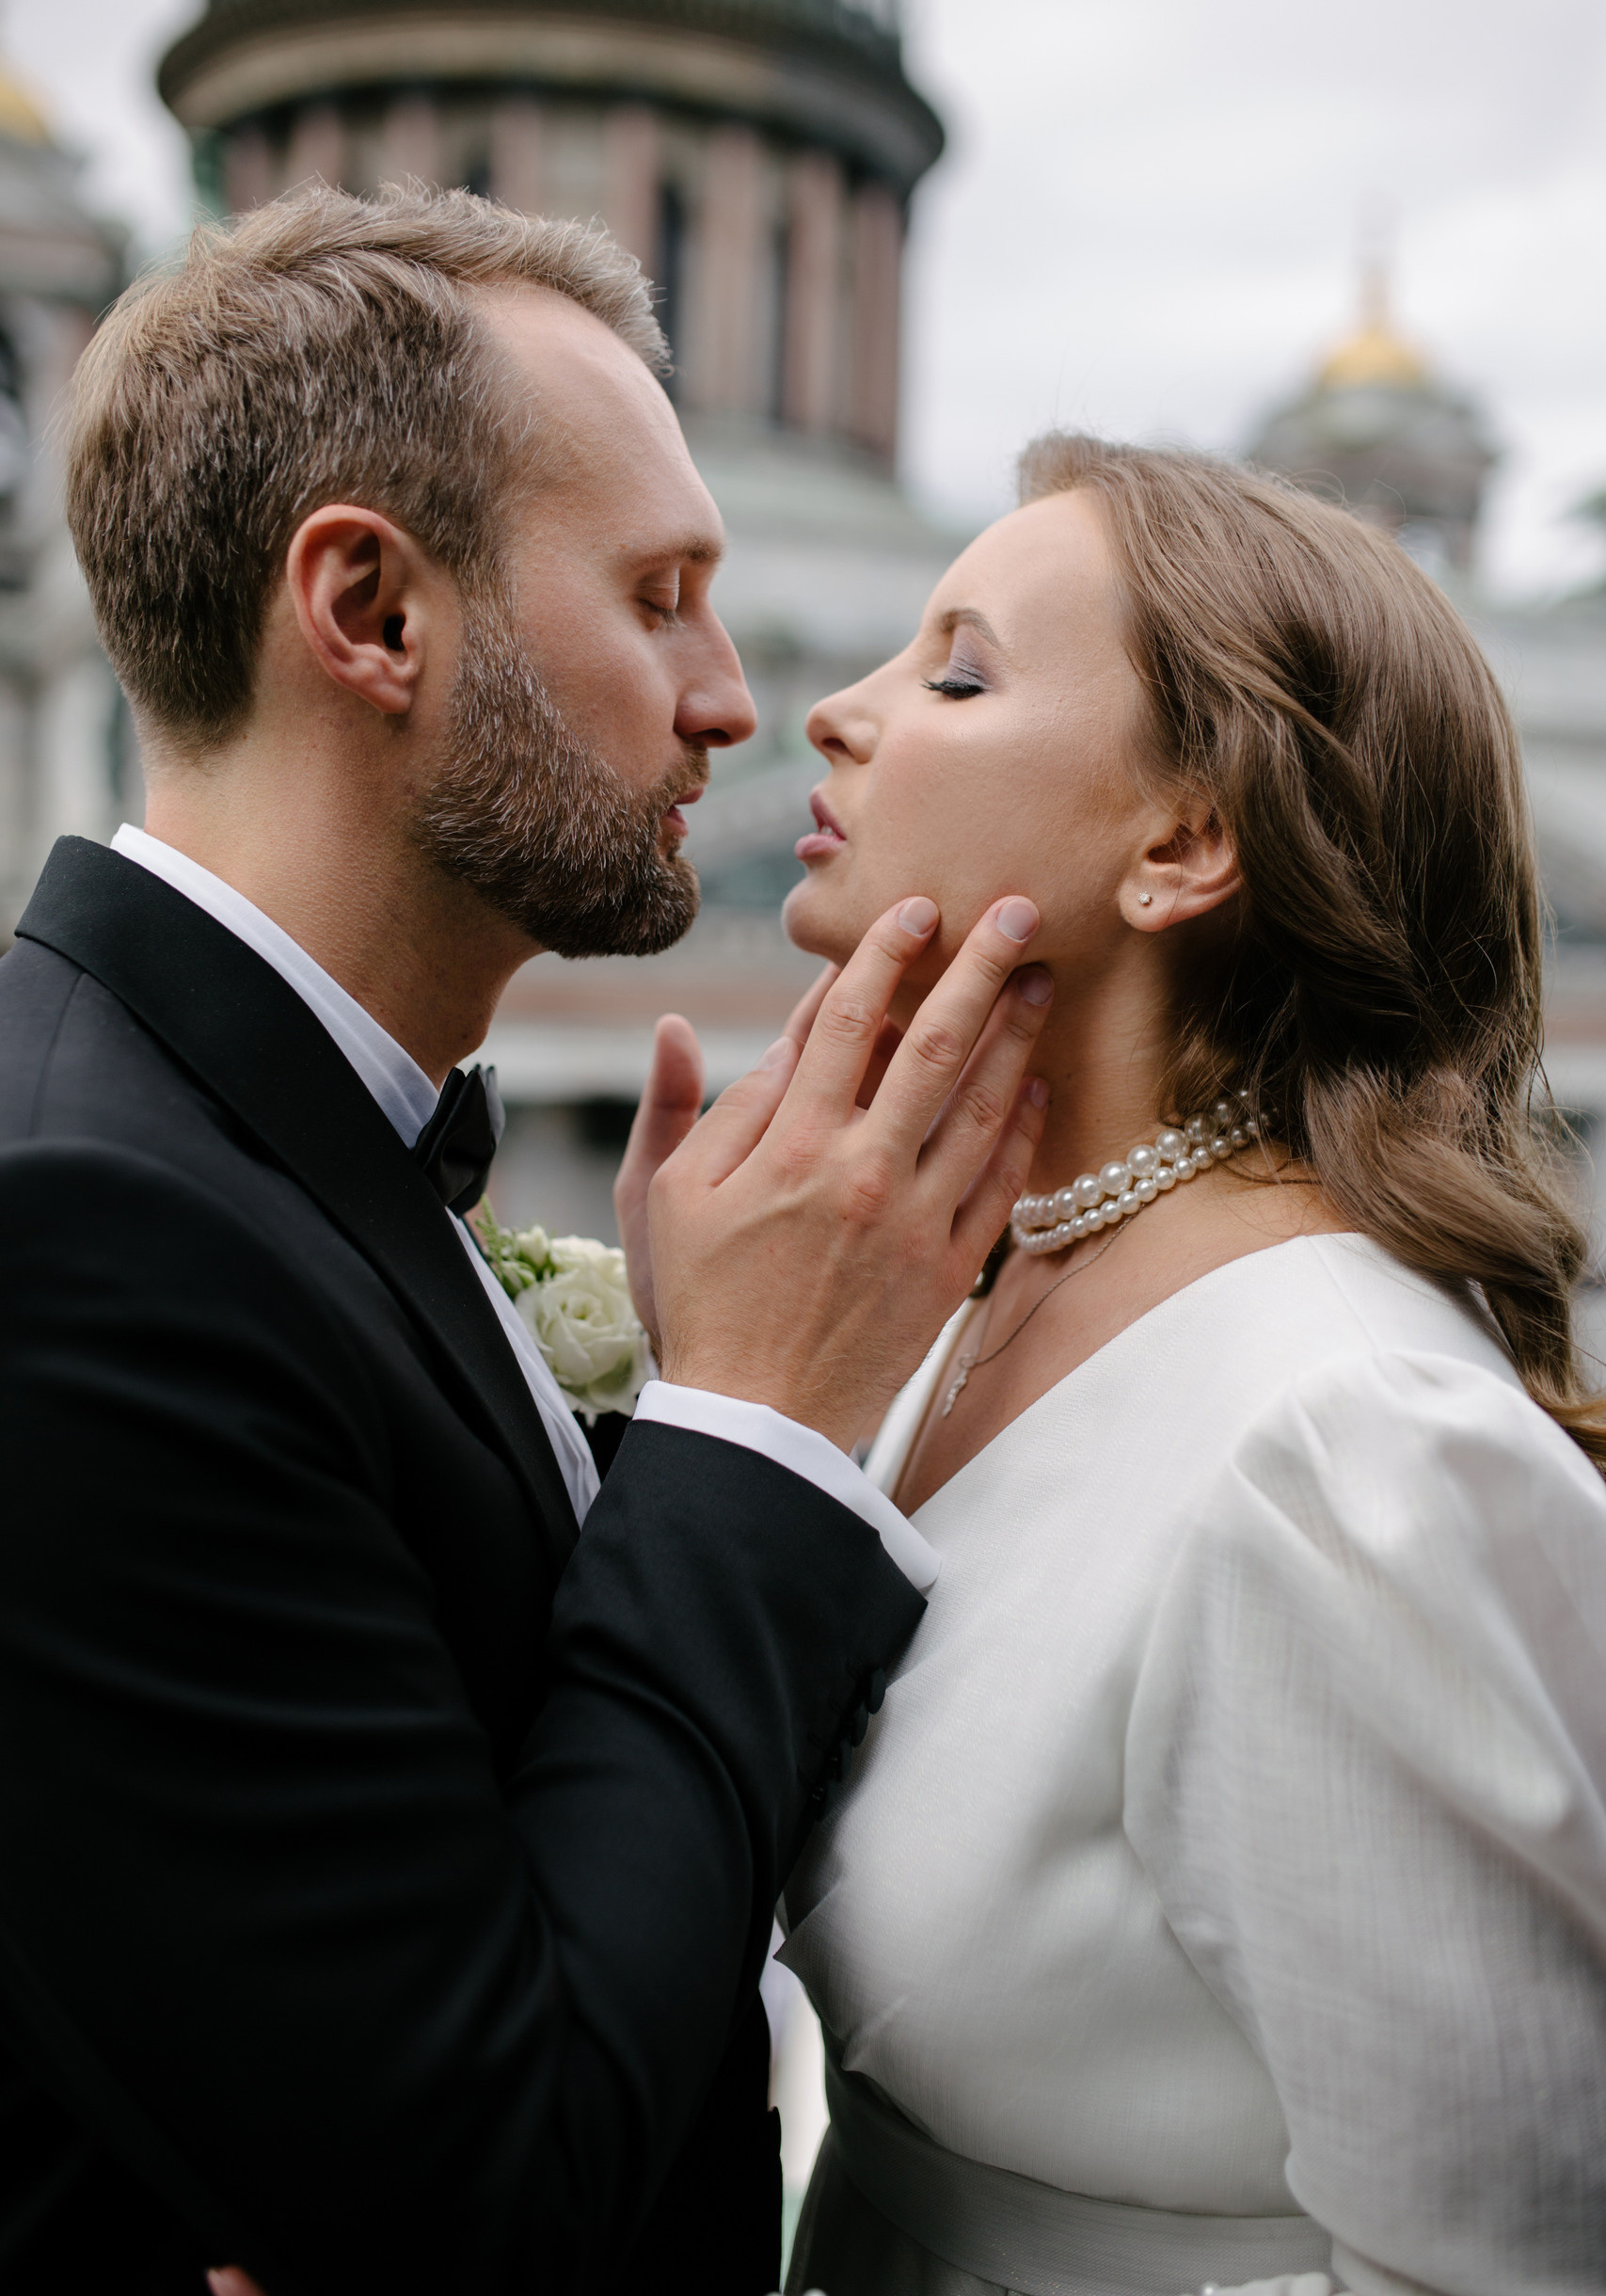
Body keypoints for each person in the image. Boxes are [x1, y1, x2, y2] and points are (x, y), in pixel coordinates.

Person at [0, 184, 1058, 2295]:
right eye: (660, 598)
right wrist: (749, 1421)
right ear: (370, 611)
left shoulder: (241, 1149)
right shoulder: (88, 1237)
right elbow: (486, 2188)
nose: (733, 703)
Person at [767, 435, 1606, 2296]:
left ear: (1179, 846)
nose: (833, 711)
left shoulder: (1341, 1448)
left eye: (955, 674)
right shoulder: (972, 1303)